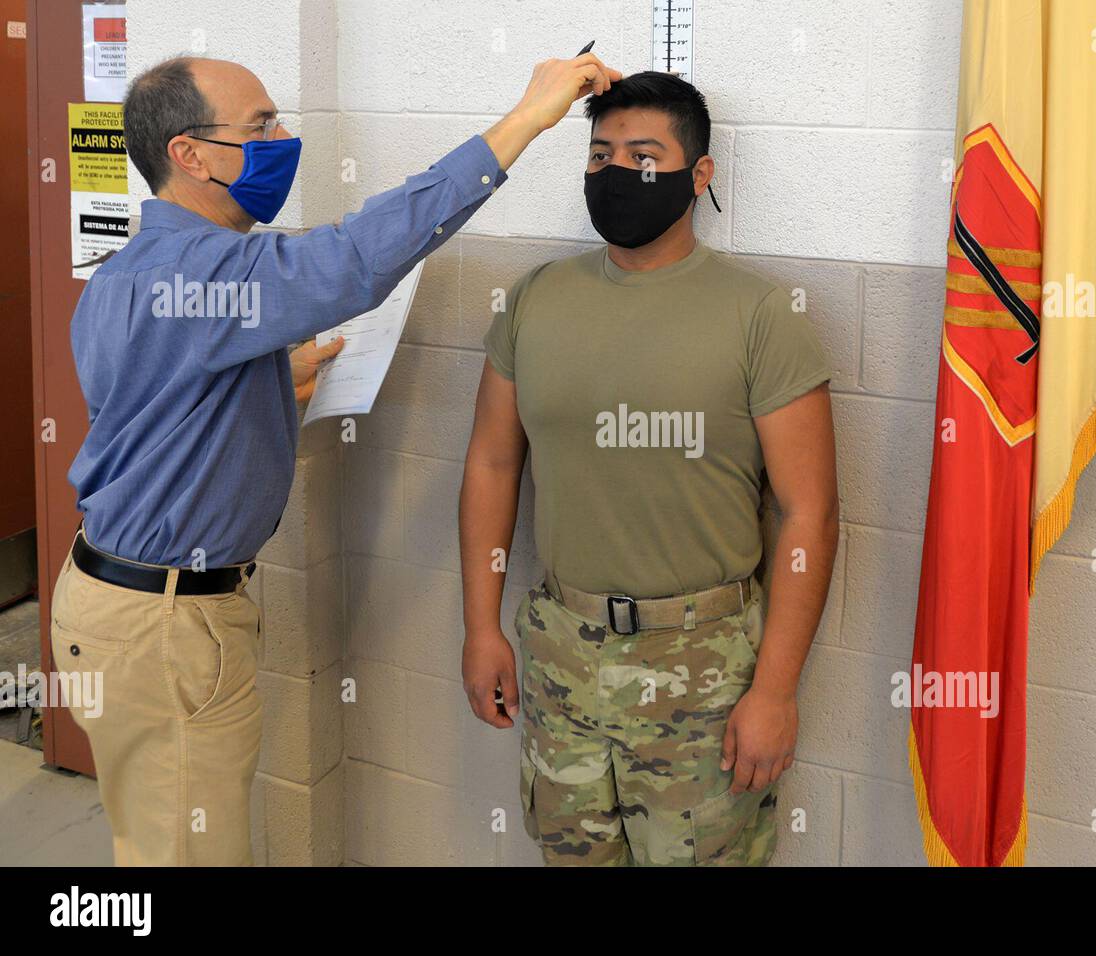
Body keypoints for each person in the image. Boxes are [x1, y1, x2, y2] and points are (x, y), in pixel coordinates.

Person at [52, 51, 621, 866]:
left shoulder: (131, 272)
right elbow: (354, 261)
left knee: (156, 841)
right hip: (163, 626)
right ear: (191, 154)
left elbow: (142, 410)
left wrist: (265, 384)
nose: (285, 139)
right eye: (261, 128)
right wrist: (525, 119)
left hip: (121, 603)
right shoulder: (205, 273)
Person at [459, 72, 840, 866]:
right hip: (562, 657)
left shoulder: (761, 315)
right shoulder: (535, 299)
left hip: (705, 672)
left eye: (642, 154)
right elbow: (493, 464)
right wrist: (480, 626)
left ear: (699, 175)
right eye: (599, 154)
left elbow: (810, 514)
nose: (614, 172)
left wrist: (774, 691)